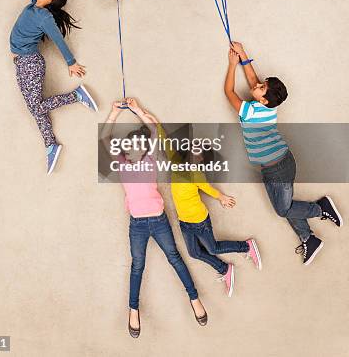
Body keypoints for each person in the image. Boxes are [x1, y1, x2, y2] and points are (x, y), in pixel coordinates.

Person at [224, 41, 343, 265]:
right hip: (274, 168)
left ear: (263, 99)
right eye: (261, 84)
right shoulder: (270, 106)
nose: (257, 84)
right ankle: (309, 238)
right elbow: (253, 81)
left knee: (283, 209)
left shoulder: (250, 111)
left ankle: (321, 208)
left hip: (279, 168)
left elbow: (228, 91)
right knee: (286, 207)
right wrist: (242, 54)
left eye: (261, 87)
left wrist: (232, 65)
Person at [102, 98, 207, 338]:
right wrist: (114, 112)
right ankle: (133, 309)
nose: (133, 149)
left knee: (175, 258)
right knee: (137, 266)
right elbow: (104, 137)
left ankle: (194, 299)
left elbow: (154, 127)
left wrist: (137, 109)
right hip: (137, 225)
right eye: (129, 146)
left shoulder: (150, 160)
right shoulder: (121, 163)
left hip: (159, 221)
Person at [10, 0, 98, 174]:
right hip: (23, 62)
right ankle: (50, 143)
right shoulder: (36, 5)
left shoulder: (44, 18)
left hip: (29, 62)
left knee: (35, 107)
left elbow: (59, 40)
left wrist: (71, 63)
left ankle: (75, 96)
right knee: (34, 106)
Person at [160, 129, 262, 297]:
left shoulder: (196, 175)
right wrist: (148, 118)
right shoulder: (175, 161)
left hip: (200, 221)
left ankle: (247, 246)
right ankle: (225, 269)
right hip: (184, 222)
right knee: (194, 253)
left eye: (198, 154)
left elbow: (209, 189)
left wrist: (222, 197)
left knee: (213, 248)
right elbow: (163, 139)